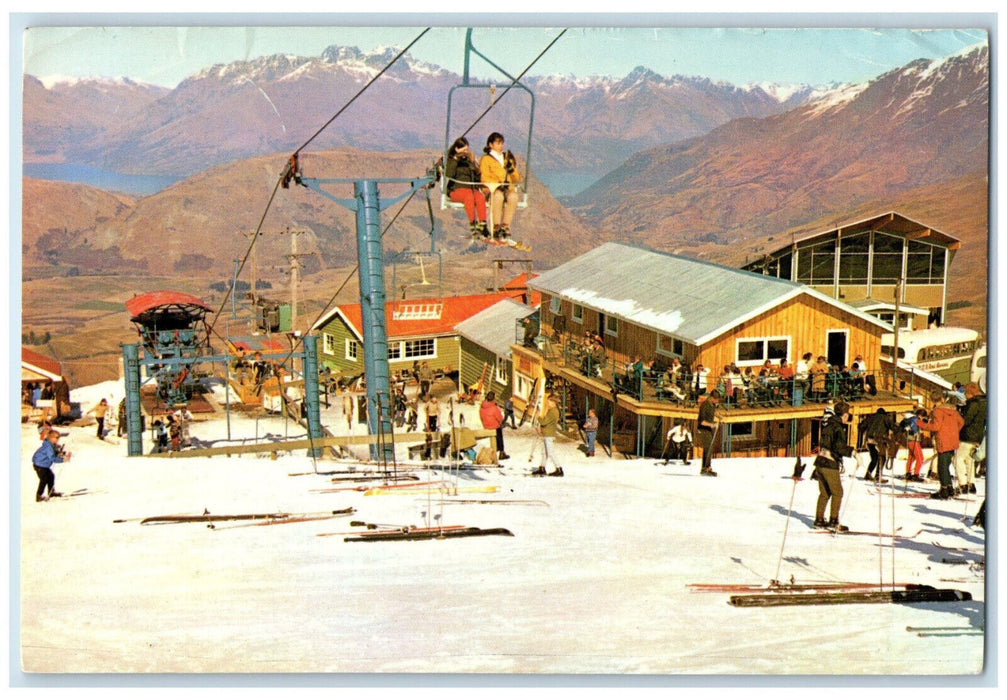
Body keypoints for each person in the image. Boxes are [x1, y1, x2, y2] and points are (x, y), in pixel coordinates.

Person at [811, 401, 855, 531]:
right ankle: (833, 521)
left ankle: (819, 520)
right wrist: (852, 451)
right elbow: (838, 447)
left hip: (820, 462)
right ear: (845, 415)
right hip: (829, 463)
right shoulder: (838, 427)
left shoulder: (828, 424)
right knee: (838, 493)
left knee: (824, 493)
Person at [917, 390, 965, 499]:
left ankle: (944, 490)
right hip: (953, 440)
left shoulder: (937, 411)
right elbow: (961, 422)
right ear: (942, 399)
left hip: (943, 440)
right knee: (946, 465)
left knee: (941, 467)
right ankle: (949, 488)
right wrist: (954, 431)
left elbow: (935, 427)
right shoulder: (953, 410)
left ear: (933, 400)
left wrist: (921, 424)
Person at [479, 132, 521, 240]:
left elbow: (516, 179)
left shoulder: (507, 158)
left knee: (513, 196)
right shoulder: (486, 159)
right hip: (492, 189)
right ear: (491, 145)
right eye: (498, 143)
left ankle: (505, 226)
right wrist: (498, 183)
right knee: (498, 196)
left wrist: (511, 170)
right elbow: (484, 177)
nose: (500, 146)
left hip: (506, 188)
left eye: (501, 143)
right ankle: (496, 226)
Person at [444, 136, 489, 237]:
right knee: (470, 197)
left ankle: (483, 224)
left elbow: (477, 178)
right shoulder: (451, 161)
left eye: (466, 150)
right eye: (463, 150)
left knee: (479, 197)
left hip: (470, 188)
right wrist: (456, 159)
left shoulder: (469, 162)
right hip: (456, 189)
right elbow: (449, 174)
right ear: (457, 149)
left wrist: (473, 163)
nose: (465, 152)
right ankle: (473, 224)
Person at [955, 382, 986, 494]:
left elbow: (966, 420)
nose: (964, 395)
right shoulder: (984, 403)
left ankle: (963, 484)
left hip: (967, 435)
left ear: (970, 393)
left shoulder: (973, 404)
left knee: (958, 459)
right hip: (978, 436)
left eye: (965, 393)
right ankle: (971, 483)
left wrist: (959, 415)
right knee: (969, 460)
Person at [32, 429, 70, 501]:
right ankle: (39, 495)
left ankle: (51, 491)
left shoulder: (51, 445)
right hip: (40, 465)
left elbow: (54, 453)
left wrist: (60, 454)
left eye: (58, 437)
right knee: (44, 479)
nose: (58, 439)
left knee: (51, 476)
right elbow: (52, 458)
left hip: (44, 465)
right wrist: (62, 460)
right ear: (51, 438)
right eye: (56, 437)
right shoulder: (48, 447)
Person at [531, 393, 563, 477]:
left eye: (549, 402)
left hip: (549, 434)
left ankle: (559, 468)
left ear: (553, 402)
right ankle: (542, 467)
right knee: (544, 452)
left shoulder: (553, 412)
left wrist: (538, 417)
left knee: (550, 452)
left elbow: (544, 422)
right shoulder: (552, 410)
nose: (547, 403)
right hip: (547, 433)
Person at [860, 408, 895, 482]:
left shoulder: (870, 417)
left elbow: (861, 426)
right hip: (879, 440)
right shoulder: (885, 418)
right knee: (882, 457)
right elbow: (893, 427)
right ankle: (877, 476)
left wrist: (864, 432)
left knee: (874, 458)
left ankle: (868, 474)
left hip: (870, 440)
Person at [480, 391, 510, 461]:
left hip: (486, 425)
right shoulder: (494, 407)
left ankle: (498, 449)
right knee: (499, 433)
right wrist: (502, 423)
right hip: (494, 426)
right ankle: (501, 451)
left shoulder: (482, 406)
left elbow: (481, 417)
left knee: (497, 431)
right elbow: (500, 418)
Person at [696, 389, 720, 476]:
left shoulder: (712, 405)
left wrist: (719, 416)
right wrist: (711, 425)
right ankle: (705, 468)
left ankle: (707, 467)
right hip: (703, 429)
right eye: (716, 399)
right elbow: (701, 421)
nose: (717, 401)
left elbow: (713, 412)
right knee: (708, 447)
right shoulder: (704, 406)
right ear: (711, 398)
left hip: (708, 429)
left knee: (710, 447)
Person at [899, 409, 926, 482]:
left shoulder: (908, 419)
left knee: (911, 457)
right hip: (914, 440)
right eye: (923, 417)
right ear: (920, 415)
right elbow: (913, 427)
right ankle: (916, 474)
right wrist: (916, 432)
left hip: (909, 440)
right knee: (920, 458)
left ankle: (908, 473)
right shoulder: (915, 419)